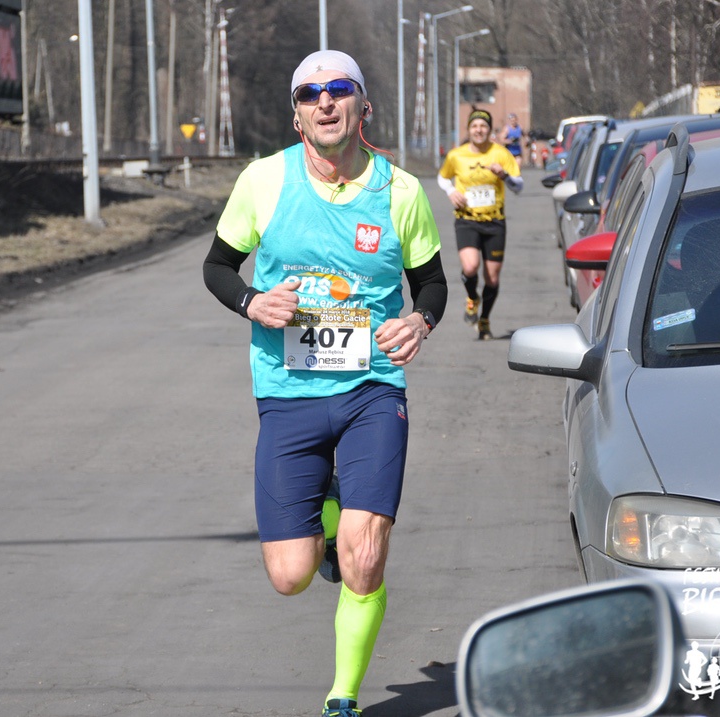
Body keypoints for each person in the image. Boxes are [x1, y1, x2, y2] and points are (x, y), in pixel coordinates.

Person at [202, 50, 447, 717]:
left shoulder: (399, 191)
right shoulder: (263, 180)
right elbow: (218, 266)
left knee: (365, 558)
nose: (324, 102)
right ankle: (332, 513)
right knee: (290, 576)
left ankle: (343, 695)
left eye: (338, 89)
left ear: (363, 105)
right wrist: (252, 302)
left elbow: (430, 282)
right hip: (286, 393)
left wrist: (419, 321)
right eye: (309, 94)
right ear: (297, 115)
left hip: (372, 390)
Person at [438, 108, 523, 340]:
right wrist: (451, 190)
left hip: (495, 221)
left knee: (492, 278)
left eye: (483, 126)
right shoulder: (456, 155)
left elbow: (519, 186)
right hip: (467, 219)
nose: (479, 130)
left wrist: (504, 175)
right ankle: (472, 298)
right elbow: (442, 177)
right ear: (469, 129)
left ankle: (484, 319)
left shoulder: (501, 154)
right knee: (470, 267)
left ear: (489, 130)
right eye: (475, 126)